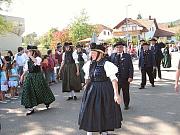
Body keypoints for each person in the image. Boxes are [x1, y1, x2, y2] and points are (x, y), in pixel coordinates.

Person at [78, 43, 123, 135]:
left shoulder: (107, 64)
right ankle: (89, 131)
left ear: (101, 54)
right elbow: (88, 77)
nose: (91, 55)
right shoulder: (89, 64)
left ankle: (104, 131)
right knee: (90, 111)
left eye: (94, 53)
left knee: (104, 111)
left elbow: (114, 80)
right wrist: (86, 84)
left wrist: (116, 94)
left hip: (104, 90)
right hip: (91, 91)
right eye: (91, 53)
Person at [20, 46, 55, 115]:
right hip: (30, 76)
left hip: (37, 76)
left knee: (40, 90)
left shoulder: (38, 58)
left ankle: (47, 101)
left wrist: (30, 56)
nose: (28, 53)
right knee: (28, 90)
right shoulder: (28, 60)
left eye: (30, 51)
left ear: (33, 52)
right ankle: (30, 108)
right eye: (28, 52)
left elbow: (36, 62)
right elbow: (26, 69)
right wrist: (22, 75)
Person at [109, 41, 134, 110]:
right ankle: (116, 105)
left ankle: (126, 104)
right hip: (115, 79)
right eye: (117, 47)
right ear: (115, 48)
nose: (119, 49)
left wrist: (130, 76)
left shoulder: (127, 56)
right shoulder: (112, 56)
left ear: (123, 48)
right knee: (116, 92)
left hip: (125, 78)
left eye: (120, 47)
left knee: (125, 92)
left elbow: (130, 67)